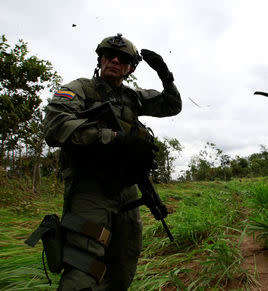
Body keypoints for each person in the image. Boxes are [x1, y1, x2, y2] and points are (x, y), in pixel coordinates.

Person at [43, 33, 182, 290]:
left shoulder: (133, 97)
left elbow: (172, 106)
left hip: (127, 191)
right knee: (84, 265)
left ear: (130, 68)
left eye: (123, 58)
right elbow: (55, 125)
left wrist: (166, 76)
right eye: (109, 55)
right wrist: (113, 137)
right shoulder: (80, 89)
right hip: (90, 189)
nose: (115, 60)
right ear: (101, 60)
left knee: (123, 263)